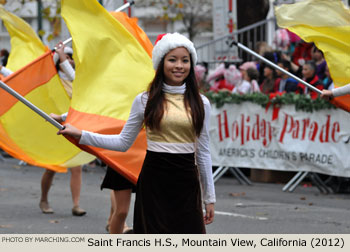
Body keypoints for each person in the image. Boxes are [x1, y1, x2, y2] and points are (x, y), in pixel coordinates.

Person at [57, 32, 216, 233]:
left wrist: (209, 198)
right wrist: (81, 134)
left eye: (185, 60)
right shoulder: (144, 100)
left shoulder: (202, 103)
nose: (179, 65)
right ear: (161, 63)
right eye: (172, 59)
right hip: (153, 180)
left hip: (187, 182)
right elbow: (123, 142)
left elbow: (202, 153)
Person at [39, 41, 86, 216]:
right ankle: (44, 199)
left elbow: (73, 76)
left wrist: (62, 55)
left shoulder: (77, 81)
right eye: (67, 58)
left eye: (72, 57)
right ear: (58, 62)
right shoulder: (52, 81)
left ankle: (76, 205)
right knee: (52, 166)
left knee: (77, 166)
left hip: (73, 127)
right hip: (55, 129)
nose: (71, 60)